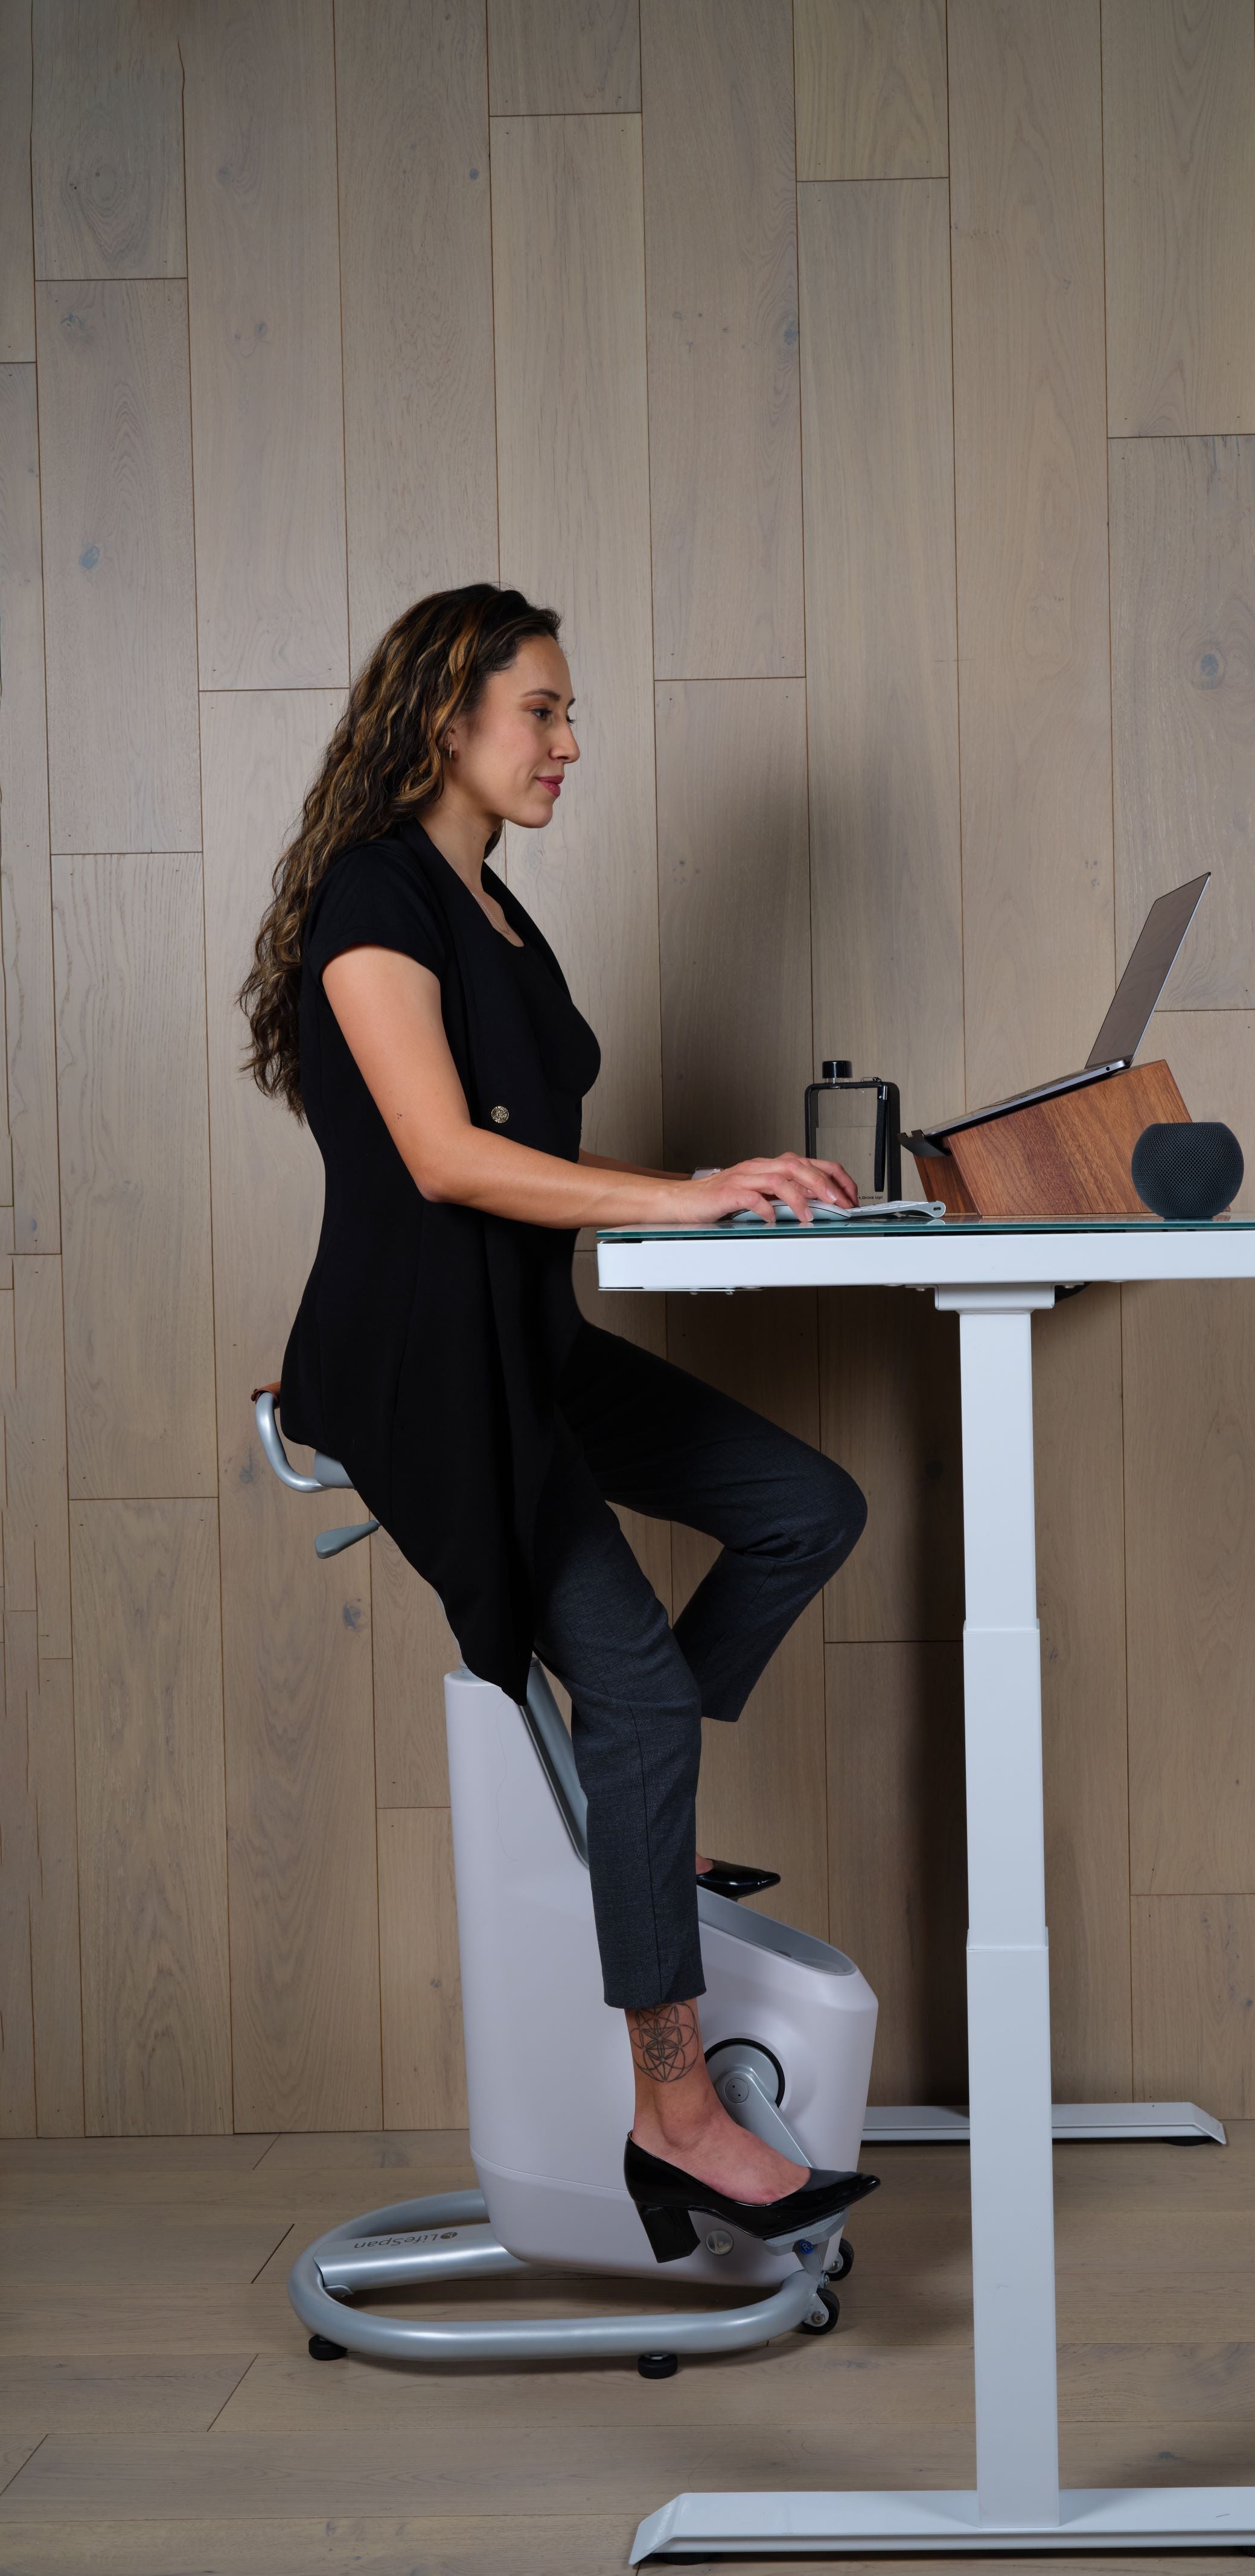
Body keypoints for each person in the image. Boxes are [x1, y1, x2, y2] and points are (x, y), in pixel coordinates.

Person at [239, 582, 878, 2248]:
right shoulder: (379, 900)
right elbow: (447, 1159)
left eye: (569, 712)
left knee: (807, 1508)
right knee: (644, 1695)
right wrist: (688, 1194)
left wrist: (727, 1195)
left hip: (530, 1345)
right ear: (448, 715)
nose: (571, 741)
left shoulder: (492, 905)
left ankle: (634, 1828)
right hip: (429, 1376)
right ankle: (675, 2116)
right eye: (545, 710)